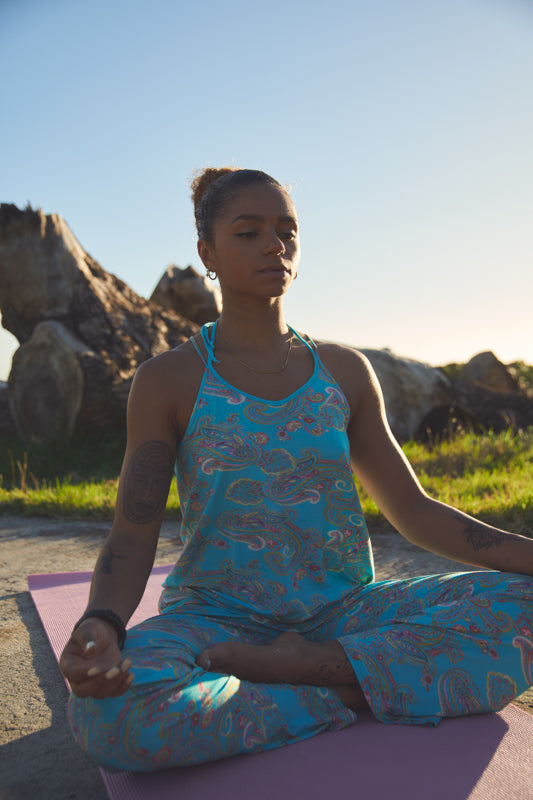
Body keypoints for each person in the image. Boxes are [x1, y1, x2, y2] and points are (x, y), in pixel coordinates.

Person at [60, 167, 533, 772]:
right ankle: (353, 690)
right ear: (208, 253)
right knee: (109, 716)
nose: (274, 244)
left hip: (346, 613)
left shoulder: (345, 372)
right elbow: (132, 533)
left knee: (524, 605)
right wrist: (102, 622)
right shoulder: (168, 380)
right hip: (217, 622)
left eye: (287, 230)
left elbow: (413, 512)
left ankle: (309, 672)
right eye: (248, 231)